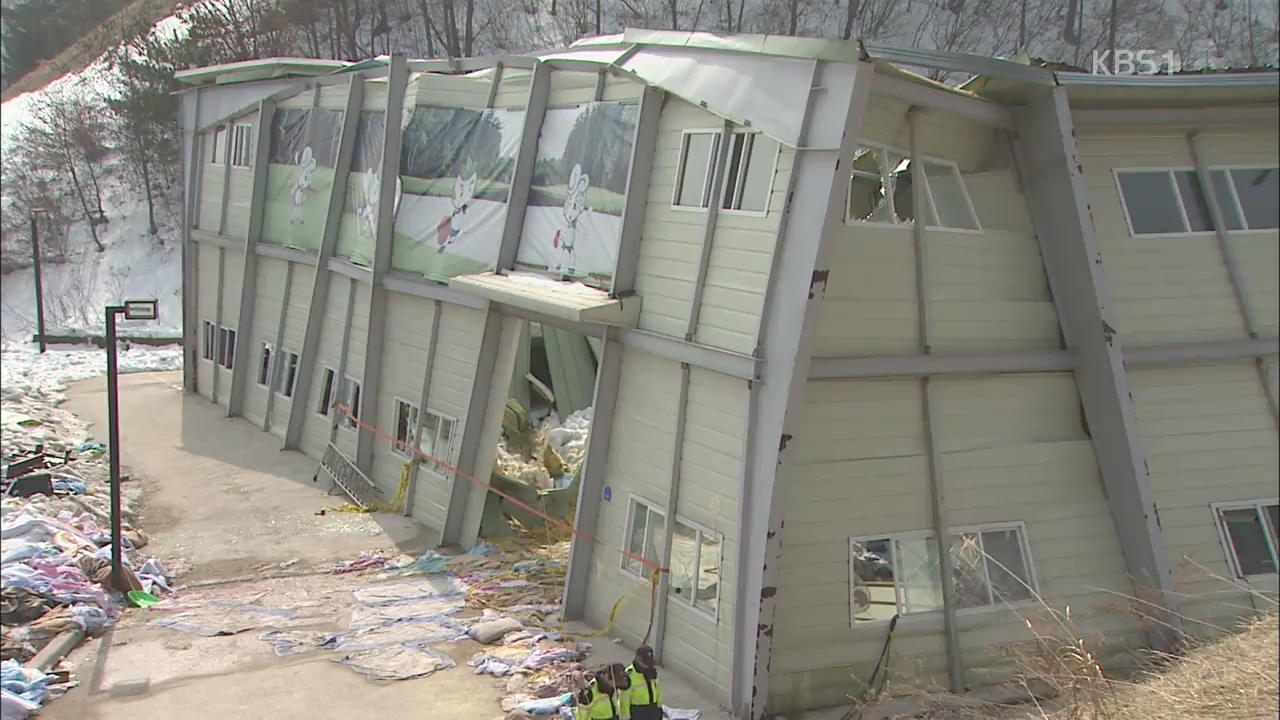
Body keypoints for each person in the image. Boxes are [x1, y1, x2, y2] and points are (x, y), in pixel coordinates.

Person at [624, 645, 662, 720]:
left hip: (653, 708)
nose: (647, 665)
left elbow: (657, 689)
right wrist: (626, 717)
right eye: (645, 662)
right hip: (638, 711)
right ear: (637, 659)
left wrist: (659, 707)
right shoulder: (629, 675)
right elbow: (624, 699)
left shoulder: (652, 671)